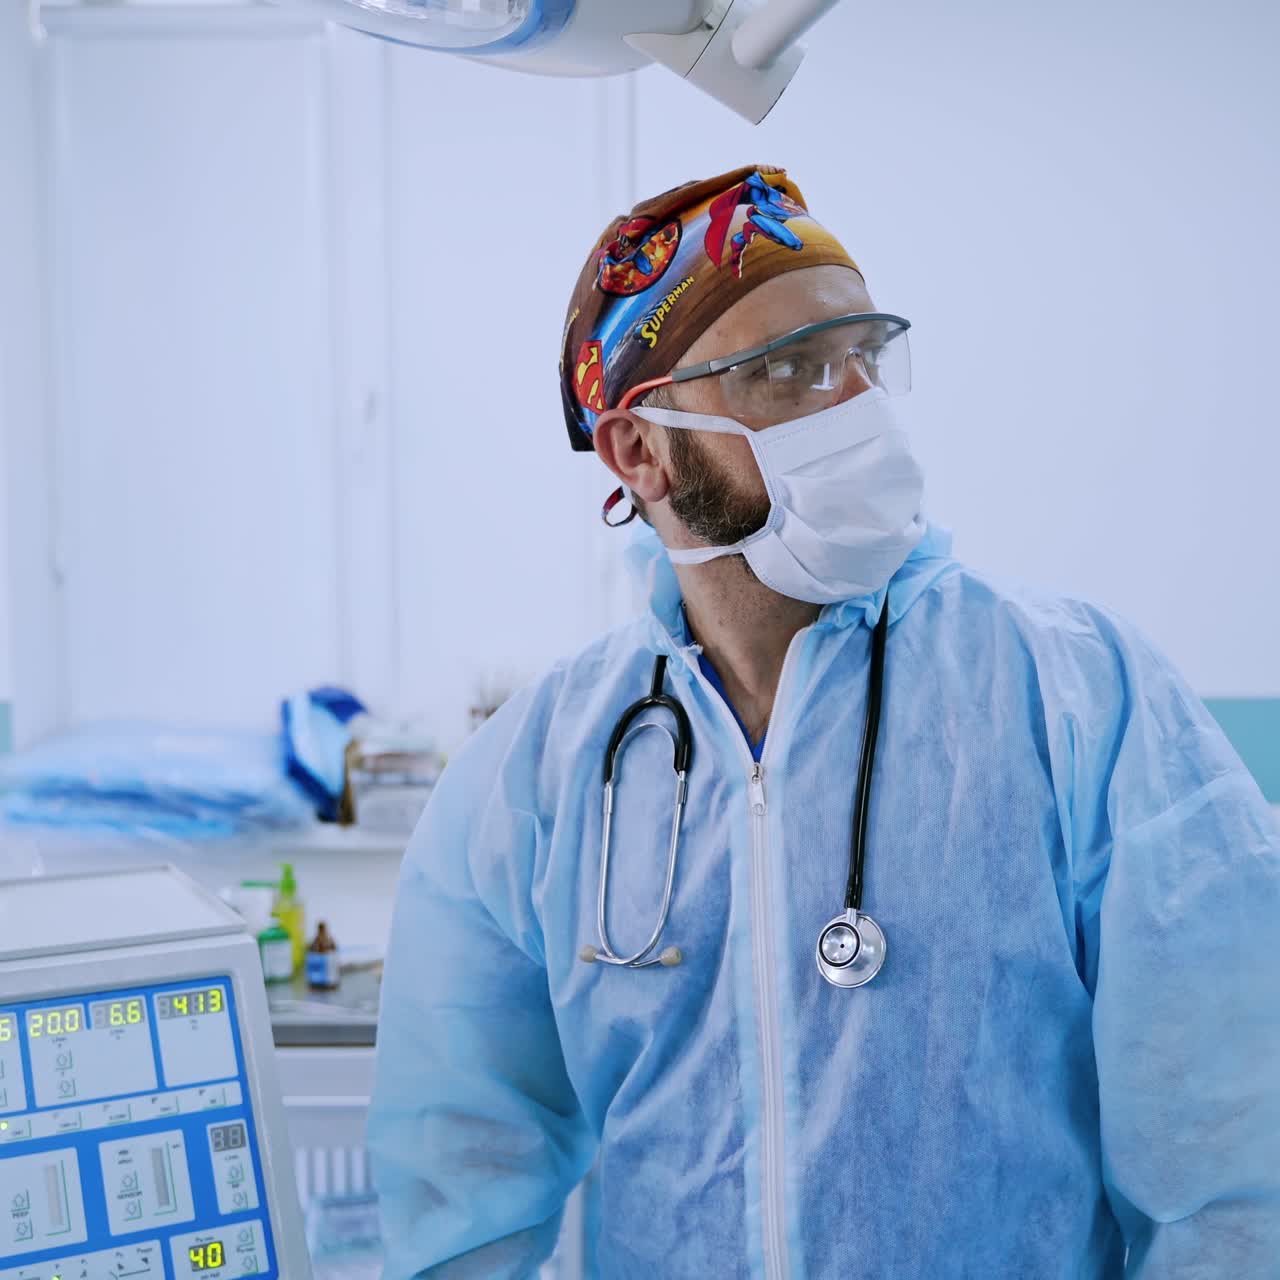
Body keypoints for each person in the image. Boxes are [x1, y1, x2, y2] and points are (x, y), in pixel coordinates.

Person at [368, 165, 1280, 1278]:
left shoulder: (1080, 695)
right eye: (789, 371)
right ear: (638, 450)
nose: (856, 405)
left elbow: (1233, 1176)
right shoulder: (536, 772)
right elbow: (461, 1193)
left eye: (864, 356)